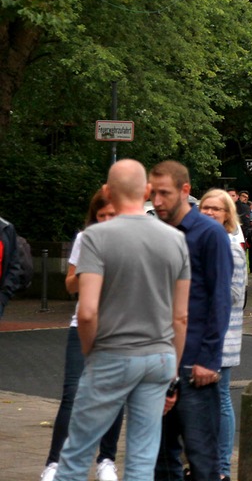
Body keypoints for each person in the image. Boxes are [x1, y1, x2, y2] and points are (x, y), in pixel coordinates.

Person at [53, 160, 189, 481]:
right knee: (142, 458)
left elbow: (86, 311)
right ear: (146, 191)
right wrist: (173, 370)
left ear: (108, 193)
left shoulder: (95, 237)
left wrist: (91, 352)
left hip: (112, 353)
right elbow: (181, 315)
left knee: (75, 456)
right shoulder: (176, 240)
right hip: (159, 357)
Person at [151, 160, 233, 481]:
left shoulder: (209, 234)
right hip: (157, 363)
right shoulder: (156, 232)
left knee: (201, 457)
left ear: (185, 191)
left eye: (165, 194)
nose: (157, 202)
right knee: (160, 457)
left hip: (195, 364)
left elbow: (220, 299)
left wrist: (209, 360)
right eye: (153, 193)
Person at [41, 190, 125, 481]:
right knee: (73, 394)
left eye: (112, 216)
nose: (106, 221)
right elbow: (69, 285)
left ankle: (106, 461)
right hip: (83, 326)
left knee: (114, 396)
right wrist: (90, 271)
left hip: (119, 329)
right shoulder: (84, 240)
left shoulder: (133, 243)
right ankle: (54, 463)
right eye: (101, 217)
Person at [198, 189, 245, 481]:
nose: (210, 213)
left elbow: (235, 294)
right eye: (205, 208)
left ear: (228, 214)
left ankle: (223, 469)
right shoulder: (201, 242)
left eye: (216, 209)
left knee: (220, 398)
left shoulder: (229, 247)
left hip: (222, 334)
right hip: (198, 333)